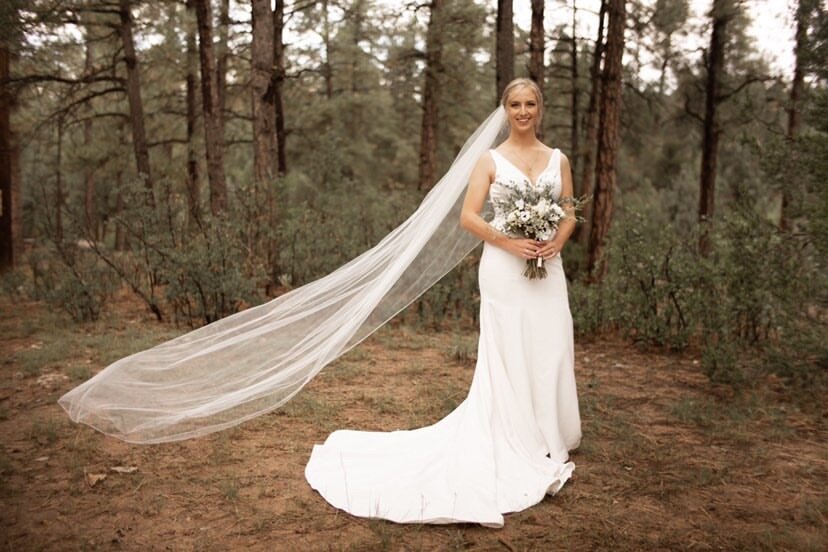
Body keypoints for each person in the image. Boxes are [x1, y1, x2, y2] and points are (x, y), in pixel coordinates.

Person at [304, 78, 582, 528]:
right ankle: (515, 434)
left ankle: (552, 432)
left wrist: (557, 242)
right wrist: (509, 241)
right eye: (515, 104)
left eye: (531, 104)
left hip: (548, 270)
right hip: (504, 269)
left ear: (541, 108)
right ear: (505, 109)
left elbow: (568, 211)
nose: (524, 111)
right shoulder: (490, 160)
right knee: (509, 349)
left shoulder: (558, 159)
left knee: (551, 346)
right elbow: (469, 216)